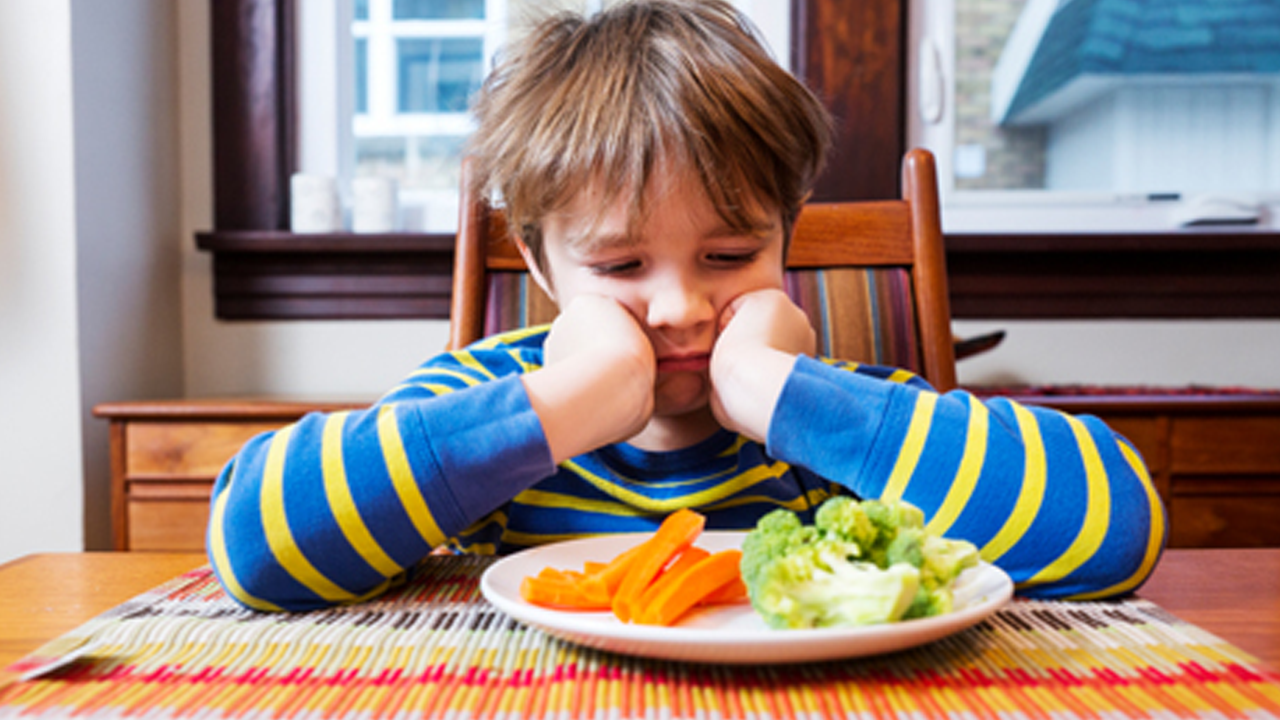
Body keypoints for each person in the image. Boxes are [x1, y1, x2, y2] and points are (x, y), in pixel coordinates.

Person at [207, 0, 1165, 612]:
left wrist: (776, 390)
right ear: (540, 263)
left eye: (731, 254)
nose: (680, 307)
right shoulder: (490, 393)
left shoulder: (843, 417)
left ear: (787, 238)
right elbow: (252, 544)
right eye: (621, 263)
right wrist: (563, 405)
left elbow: (1116, 532)